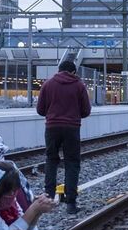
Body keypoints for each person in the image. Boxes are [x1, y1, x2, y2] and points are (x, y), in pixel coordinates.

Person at [36, 60, 91, 213]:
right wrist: (73, 114)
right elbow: (86, 111)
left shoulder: (48, 84)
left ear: (59, 70)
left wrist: (53, 113)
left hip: (52, 127)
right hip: (72, 128)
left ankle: (48, 198)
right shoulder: (79, 85)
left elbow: (40, 110)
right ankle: (71, 204)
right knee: (72, 163)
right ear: (73, 72)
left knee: (51, 160)